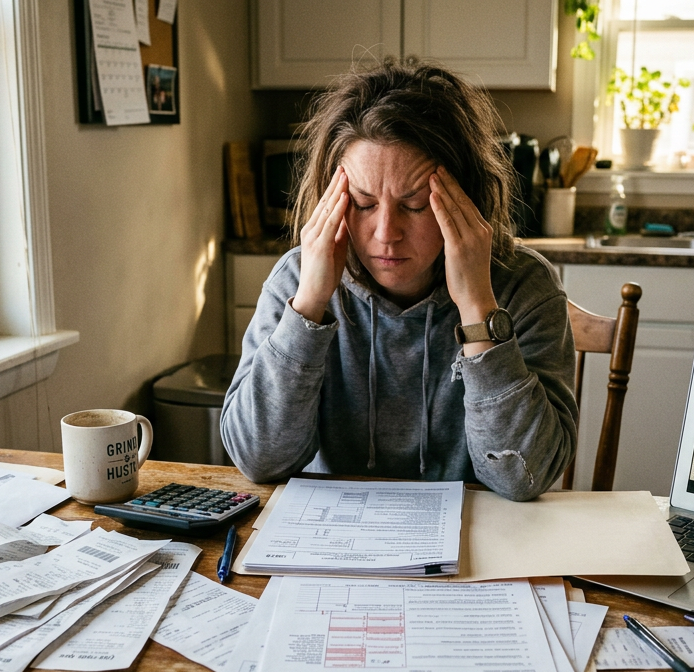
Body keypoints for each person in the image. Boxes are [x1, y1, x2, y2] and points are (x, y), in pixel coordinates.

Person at [220, 59, 576, 501]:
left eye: (414, 205)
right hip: (331, 543)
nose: (386, 233)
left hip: (480, 545)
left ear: (465, 198)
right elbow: (258, 459)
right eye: (364, 203)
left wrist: (479, 310)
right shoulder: (297, 279)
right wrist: (309, 304)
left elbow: (525, 479)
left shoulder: (524, 287)